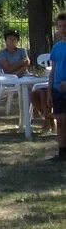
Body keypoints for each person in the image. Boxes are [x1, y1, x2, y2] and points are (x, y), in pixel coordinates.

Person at [50, 12, 66, 162]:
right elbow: (53, 70)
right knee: (60, 120)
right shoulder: (56, 48)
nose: (63, 29)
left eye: (65, 26)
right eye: (60, 26)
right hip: (57, 90)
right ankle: (62, 151)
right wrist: (50, 90)